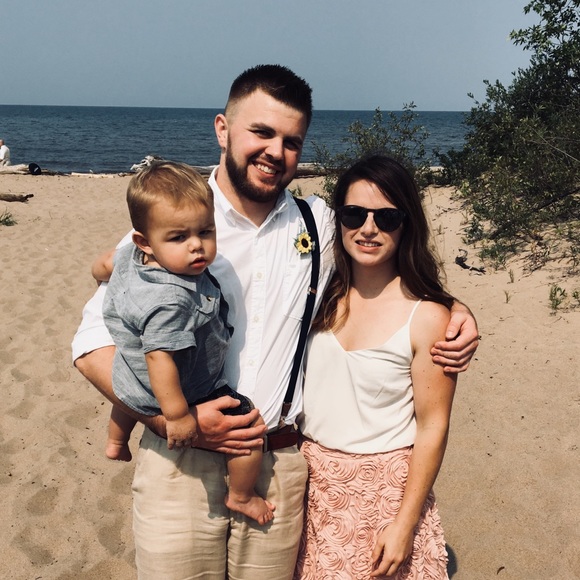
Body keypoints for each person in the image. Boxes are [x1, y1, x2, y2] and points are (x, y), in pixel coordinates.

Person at [72, 65, 479, 579]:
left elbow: (385, 259)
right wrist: (170, 421)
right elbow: (92, 345)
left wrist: (456, 311)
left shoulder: (321, 223)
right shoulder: (172, 226)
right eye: (261, 132)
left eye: (291, 141)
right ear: (223, 129)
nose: (274, 152)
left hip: (279, 467)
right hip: (180, 464)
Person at [295, 155, 459, 579]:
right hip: (309, 485)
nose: (368, 228)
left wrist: (404, 524)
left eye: (386, 217)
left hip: (386, 491)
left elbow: (433, 426)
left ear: (407, 224)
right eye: (354, 214)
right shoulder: (316, 293)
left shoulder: (426, 317)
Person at [92, 160, 274, 525]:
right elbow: (159, 357)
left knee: (129, 392)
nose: (197, 247)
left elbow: (104, 264)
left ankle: (116, 442)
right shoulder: (172, 300)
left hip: (130, 375)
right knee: (250, 430)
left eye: (205, 232)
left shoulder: (130, 255)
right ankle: (242, 496)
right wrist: (177, 417)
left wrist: (98, 275)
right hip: (182, 387)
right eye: (178, 238)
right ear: (144, 241)